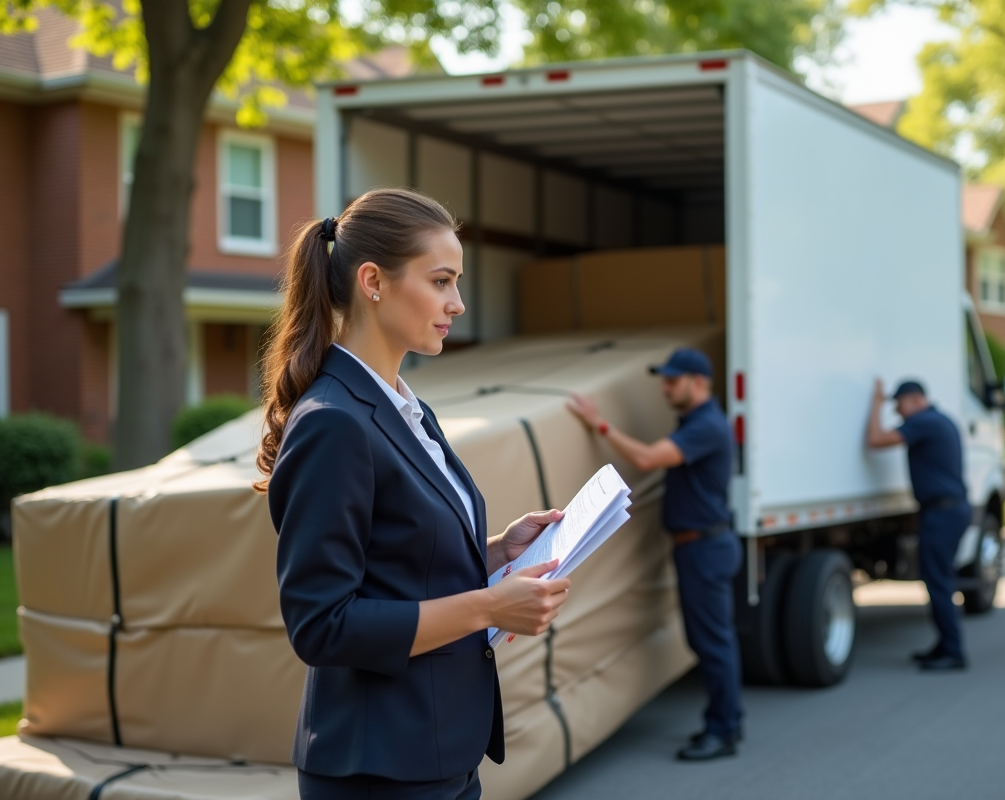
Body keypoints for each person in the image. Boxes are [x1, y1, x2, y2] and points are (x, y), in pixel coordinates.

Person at [255, 188, 573, 800]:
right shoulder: (334, 421)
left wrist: (498, 552)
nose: (457, 302)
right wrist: (489, 607)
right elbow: (322, 624)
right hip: (380, 770)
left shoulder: (404, 407)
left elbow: (400, 565)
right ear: (373, 281)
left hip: (439, 751)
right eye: (442, 281)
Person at [566, 347, 743, 761]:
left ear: (698, 382)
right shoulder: (695, 423)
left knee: (714, 643)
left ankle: (725, 730)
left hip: (705, 548)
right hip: (701, 546)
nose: (665, 388)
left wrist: (599, 424)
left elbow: (647, 459)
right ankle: (727, 722)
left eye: (672, 380)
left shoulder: (706, 426)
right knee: (711, 641)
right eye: (663, 380)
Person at [867, 379, 972, 671]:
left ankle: (952, 651)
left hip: (942, 514)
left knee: (938, 582)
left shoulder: (924, 422)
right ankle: (944, 645)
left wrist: (875, 403)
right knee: (940, 580)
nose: (898, 413)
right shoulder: (939, 420)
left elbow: (876, 440)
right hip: (949, 511)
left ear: (913, 400)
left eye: (898, 406)